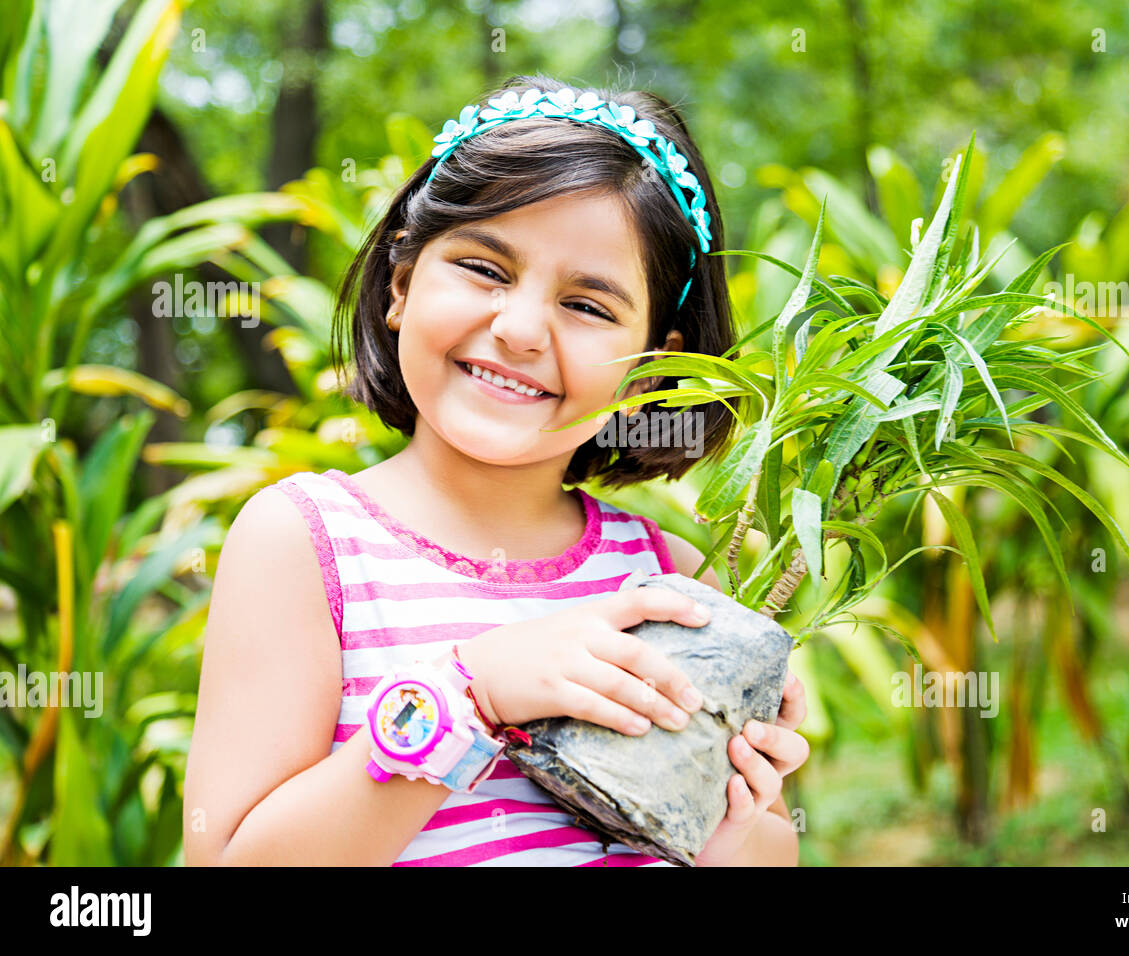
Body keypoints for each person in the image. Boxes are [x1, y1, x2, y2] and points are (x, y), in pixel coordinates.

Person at [184, 74, 809, 867]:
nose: (517, 330)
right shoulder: (304, 546)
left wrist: (734, 817)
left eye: (587, 306)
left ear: (654, 369)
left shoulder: (668, 586)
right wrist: (471, 693)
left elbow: (755, 853)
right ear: (403, 280)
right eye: (485, 268)